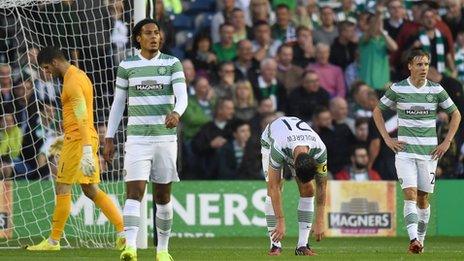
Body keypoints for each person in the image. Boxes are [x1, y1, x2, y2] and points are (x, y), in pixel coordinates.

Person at [103, 19, 188, 261]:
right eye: (148, 33)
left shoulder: (172, 63)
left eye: (157, 33)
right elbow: (118, 103)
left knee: (162, 196)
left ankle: (162, 250)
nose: (154, 37)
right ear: (138, 38)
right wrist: (109, 136)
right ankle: (130, 247)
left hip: (165, 140)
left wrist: (176, 113)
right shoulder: (127, 65)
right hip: (137, 139)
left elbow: (182, 97)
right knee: (134, 192)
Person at [26, 46, 124, 251]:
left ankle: (53, 241)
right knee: (90, 190)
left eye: (45, 68)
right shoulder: (79, 76)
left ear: (54, 62)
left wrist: (88, 150)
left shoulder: (72, 82)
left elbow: (81, 115)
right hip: (83, 137)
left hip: (79, 140)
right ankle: (123, 232)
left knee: (62, 186)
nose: (46, 73)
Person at [373, 49, 461, 254]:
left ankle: (420, 239)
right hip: (405, 152)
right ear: (410, 66)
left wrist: (447, 141)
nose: (423, 68)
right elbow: (377, 111)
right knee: (410, 195)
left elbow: (456, 114)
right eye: (419, 64)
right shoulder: (398, 88)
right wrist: (387, 138)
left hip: (429, 154)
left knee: (423, 199)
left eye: (426, 64)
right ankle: (413, 238)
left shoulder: (436, 90)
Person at [261, 116, 327, 256]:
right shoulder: (278, 148)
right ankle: (275, 245)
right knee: (275, 187)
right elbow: (274, 188)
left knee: (309, 189)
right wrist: (280, 221)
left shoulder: (320, 149)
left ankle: (302, 246)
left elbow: (322, 185)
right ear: (294, 167)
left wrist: (320, 219)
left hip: (295, 140)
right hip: (270, 139)